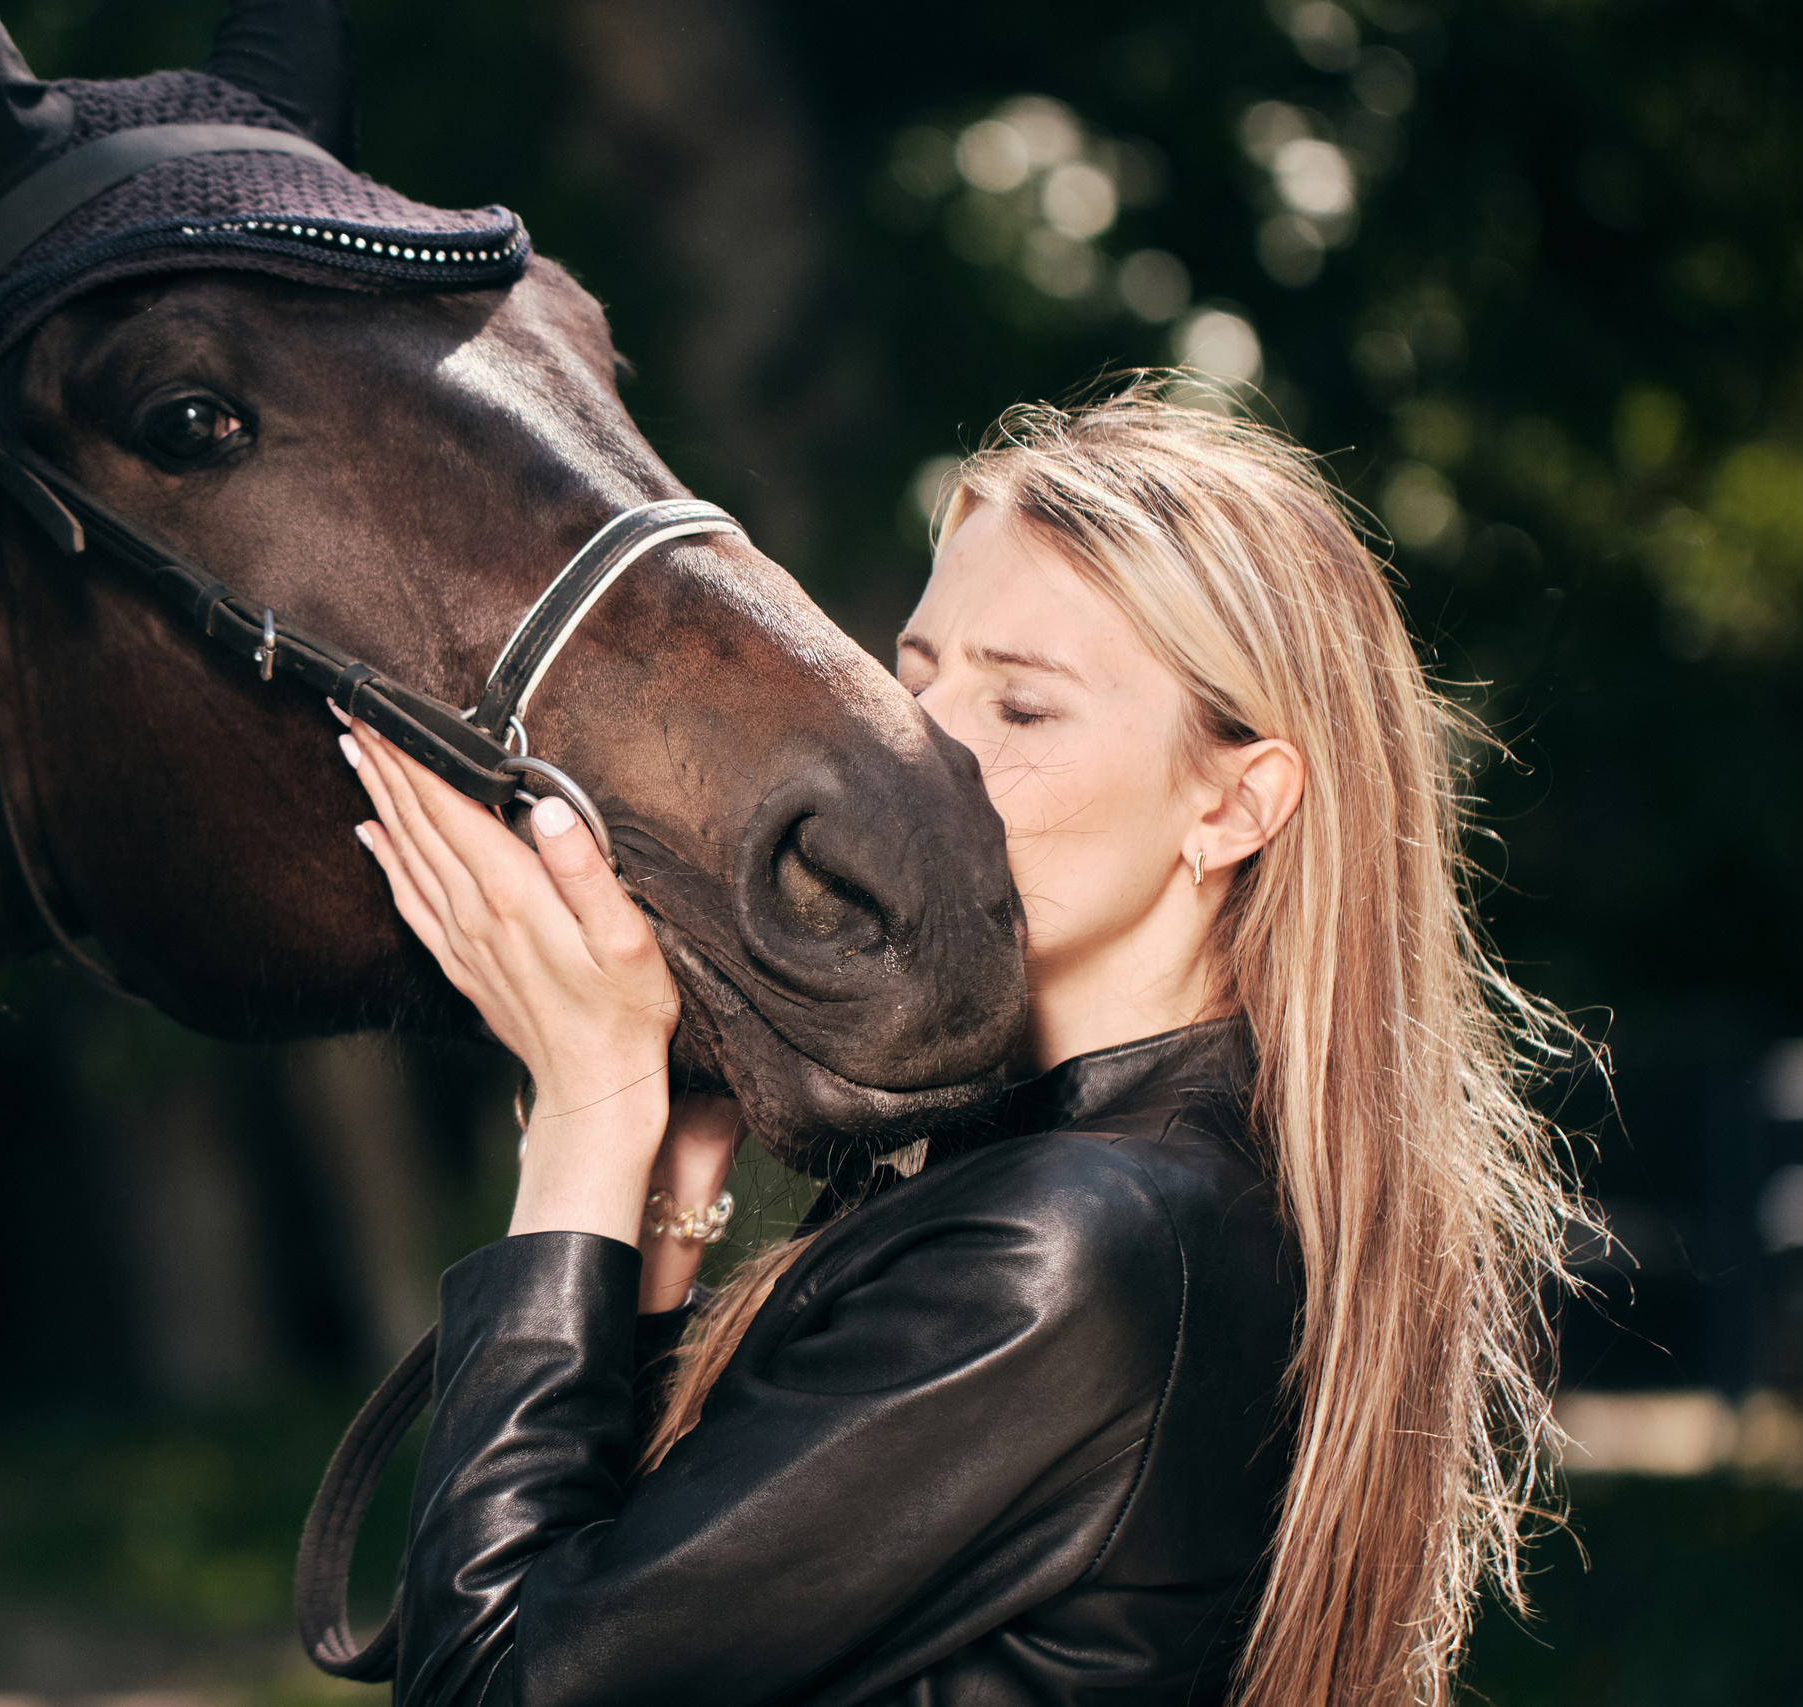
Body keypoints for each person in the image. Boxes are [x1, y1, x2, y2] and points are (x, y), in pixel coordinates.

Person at [338, 376, 1580, 1706]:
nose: (924, 756)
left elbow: (494, 1683)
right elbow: (643, 1597)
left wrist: (585, 1101)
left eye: (1024, 710)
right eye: (913, 681)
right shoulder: (1159, 1181)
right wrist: (670, 1172)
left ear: (1230, 808)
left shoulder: (1073, 1242)